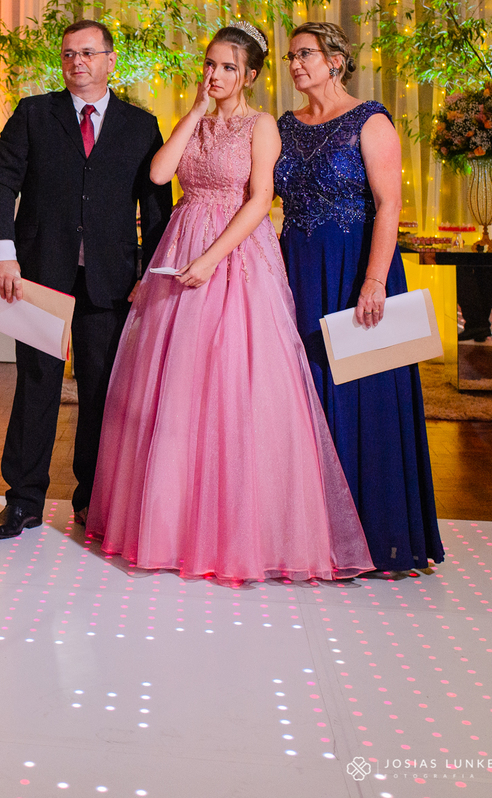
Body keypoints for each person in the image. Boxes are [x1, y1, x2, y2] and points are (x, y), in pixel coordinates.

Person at [85, 23, 373, 583]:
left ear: (250, 75)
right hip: (182, 239)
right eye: (209, 65)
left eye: (226, 68)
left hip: (235, 255)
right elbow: (160, 173)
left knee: (235, 384)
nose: (214, 75)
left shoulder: (263, 124)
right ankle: (173, 523)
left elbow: (262, 198)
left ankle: (241, 532)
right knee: (176, 386)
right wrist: (194, 112)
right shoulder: (196, 120)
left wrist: (213, 258)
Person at [0, 18, 172, 539]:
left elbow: (157, 211)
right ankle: (22, 503)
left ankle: (94, 501)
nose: (76, 62)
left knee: (101, 393)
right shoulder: (33, 115)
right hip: (38, 279)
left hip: (110, 282)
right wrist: (3, 254)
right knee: (35, 387)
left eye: (87, 53)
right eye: (68, 54)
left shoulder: (141, 125)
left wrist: (148, 276)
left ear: (111, 60)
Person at [275, 21, 444, 573]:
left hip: (356, 269)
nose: (296, 64)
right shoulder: (284, 125)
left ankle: (376, 535)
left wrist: (374, 281)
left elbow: (388, 206)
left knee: (364, 392)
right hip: (297, 269)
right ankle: (310, 532)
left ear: (335, 60)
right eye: (291, 56)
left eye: (306, 54)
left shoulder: (370, 120)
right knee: (303, 393)